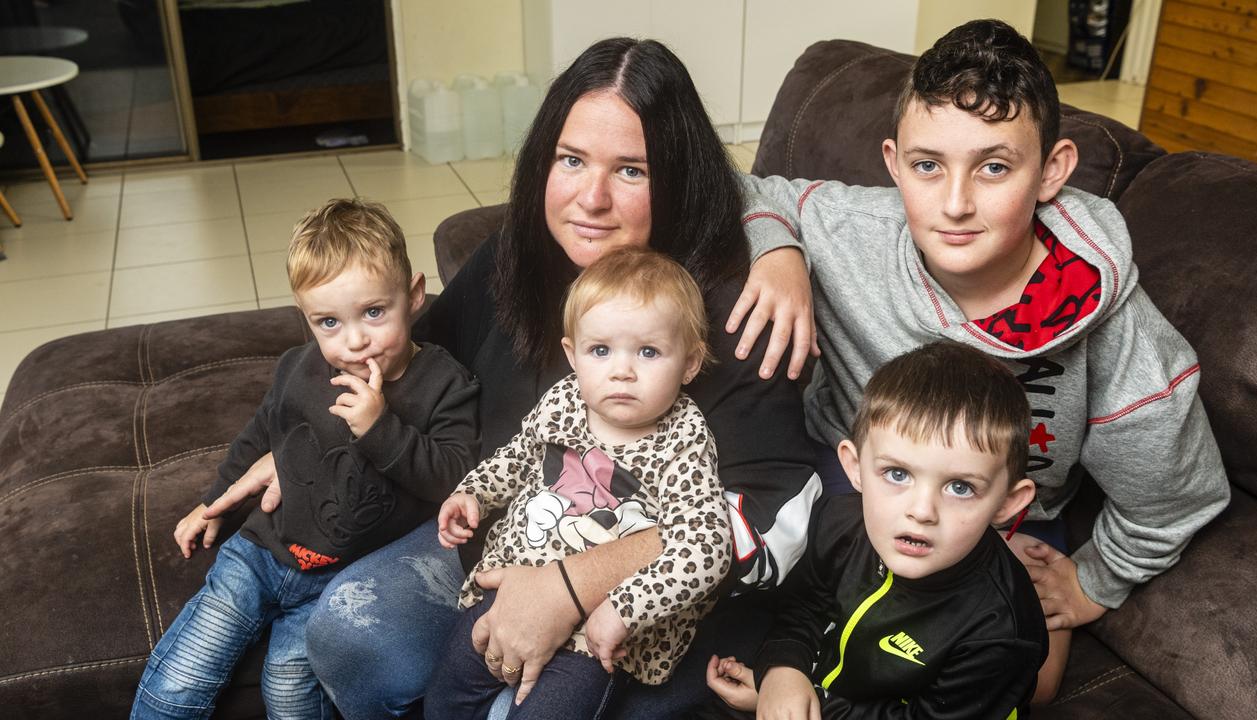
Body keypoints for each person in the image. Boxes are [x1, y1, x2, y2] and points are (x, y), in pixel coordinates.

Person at [206, 38, 819, 719]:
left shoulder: (734, 311)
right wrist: (301, 445)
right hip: (501, 544)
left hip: (645, 612)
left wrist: (569, 586)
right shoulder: (513, 257)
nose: (591, 198)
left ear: (677, 179)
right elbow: (403, 369)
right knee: (348, 634)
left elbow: (770, 522)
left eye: (632, 172)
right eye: (572, 160)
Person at [735, 19, 1230, 702]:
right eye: (927, 165)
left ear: (1051, 169)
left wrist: (1094, 580)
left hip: (991, 517)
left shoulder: (1121, 337)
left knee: (1035, 683)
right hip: (851, 482)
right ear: (893, 161)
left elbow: (1179, 496)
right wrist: (777, 251)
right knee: (741, 603)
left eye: (994, 166)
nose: (956, 204)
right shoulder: (856, 229)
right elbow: (745, 188)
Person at [130, 199, 480, 719]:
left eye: (374, 313)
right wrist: (212, 507)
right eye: (328, 322)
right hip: (259, 552)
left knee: (289, 694)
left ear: (414, 295)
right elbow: (257, 438)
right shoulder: (298, 368)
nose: (355, 340)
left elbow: (453, 475)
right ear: (307, 320)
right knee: (180, 679)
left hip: (340, 576)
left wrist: (380, 427)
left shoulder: (445, 384)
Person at [429, 247, 732, 717]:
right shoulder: (565, 400)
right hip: (515, 587)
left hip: (598, 635)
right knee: (448, 691)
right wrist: (475, 492)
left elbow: (706, 546)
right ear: (573, 354)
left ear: (690, 364)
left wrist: (625, 609)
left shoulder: (684, 438)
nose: (622, 370)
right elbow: (518, 455)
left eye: (649, 351)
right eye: (601, 350)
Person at [705, 341, 1048, 718]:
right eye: (897, 474)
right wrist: (783, 669)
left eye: (960, 487)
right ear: (854, 467)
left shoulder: (1001, 631)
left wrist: (812, 706)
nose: (920, 511)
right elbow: (805, 604)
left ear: (1007, 503)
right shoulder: (840, 522)